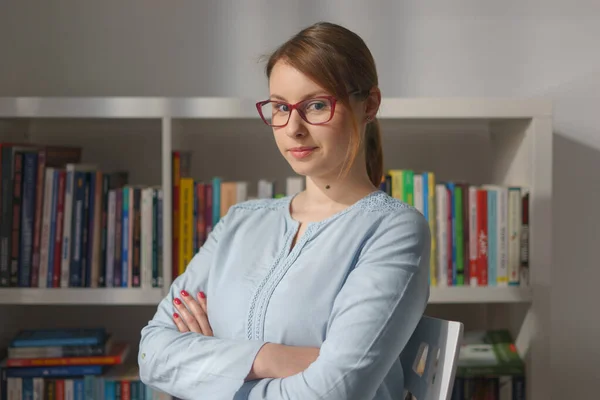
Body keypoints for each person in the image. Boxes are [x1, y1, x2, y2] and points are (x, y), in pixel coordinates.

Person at [138, 21, 431, 400]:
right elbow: (151, 355)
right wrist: (270, 357)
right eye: (280, 107)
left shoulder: (394, 229)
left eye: (317, 105)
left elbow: (334, 392)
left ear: (369, 104)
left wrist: (210, 372)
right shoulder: (240, 221)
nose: (293, 128)